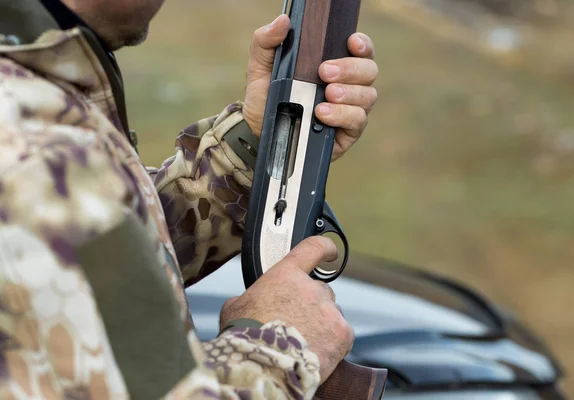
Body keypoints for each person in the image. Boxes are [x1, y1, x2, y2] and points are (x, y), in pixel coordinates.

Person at [0, 0, 379, 398]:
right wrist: (274, 349)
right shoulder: (26, 146)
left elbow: (92, 256)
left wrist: (259, 144)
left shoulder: (29, 79)